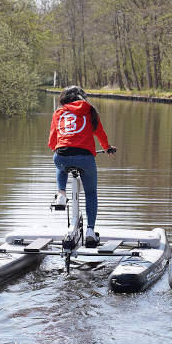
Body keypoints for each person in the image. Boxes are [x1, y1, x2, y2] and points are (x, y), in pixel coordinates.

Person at [48, 85, 115, 245]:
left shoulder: (58, 112)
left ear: (64, 98)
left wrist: (59, 148)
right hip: (85, 158)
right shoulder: (90, 110)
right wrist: (107, 148)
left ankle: (61, 195)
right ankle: (91, 231)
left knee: (60, 162)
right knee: (91, 192)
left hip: (62, 155)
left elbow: (52, 141)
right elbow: (100, 134)